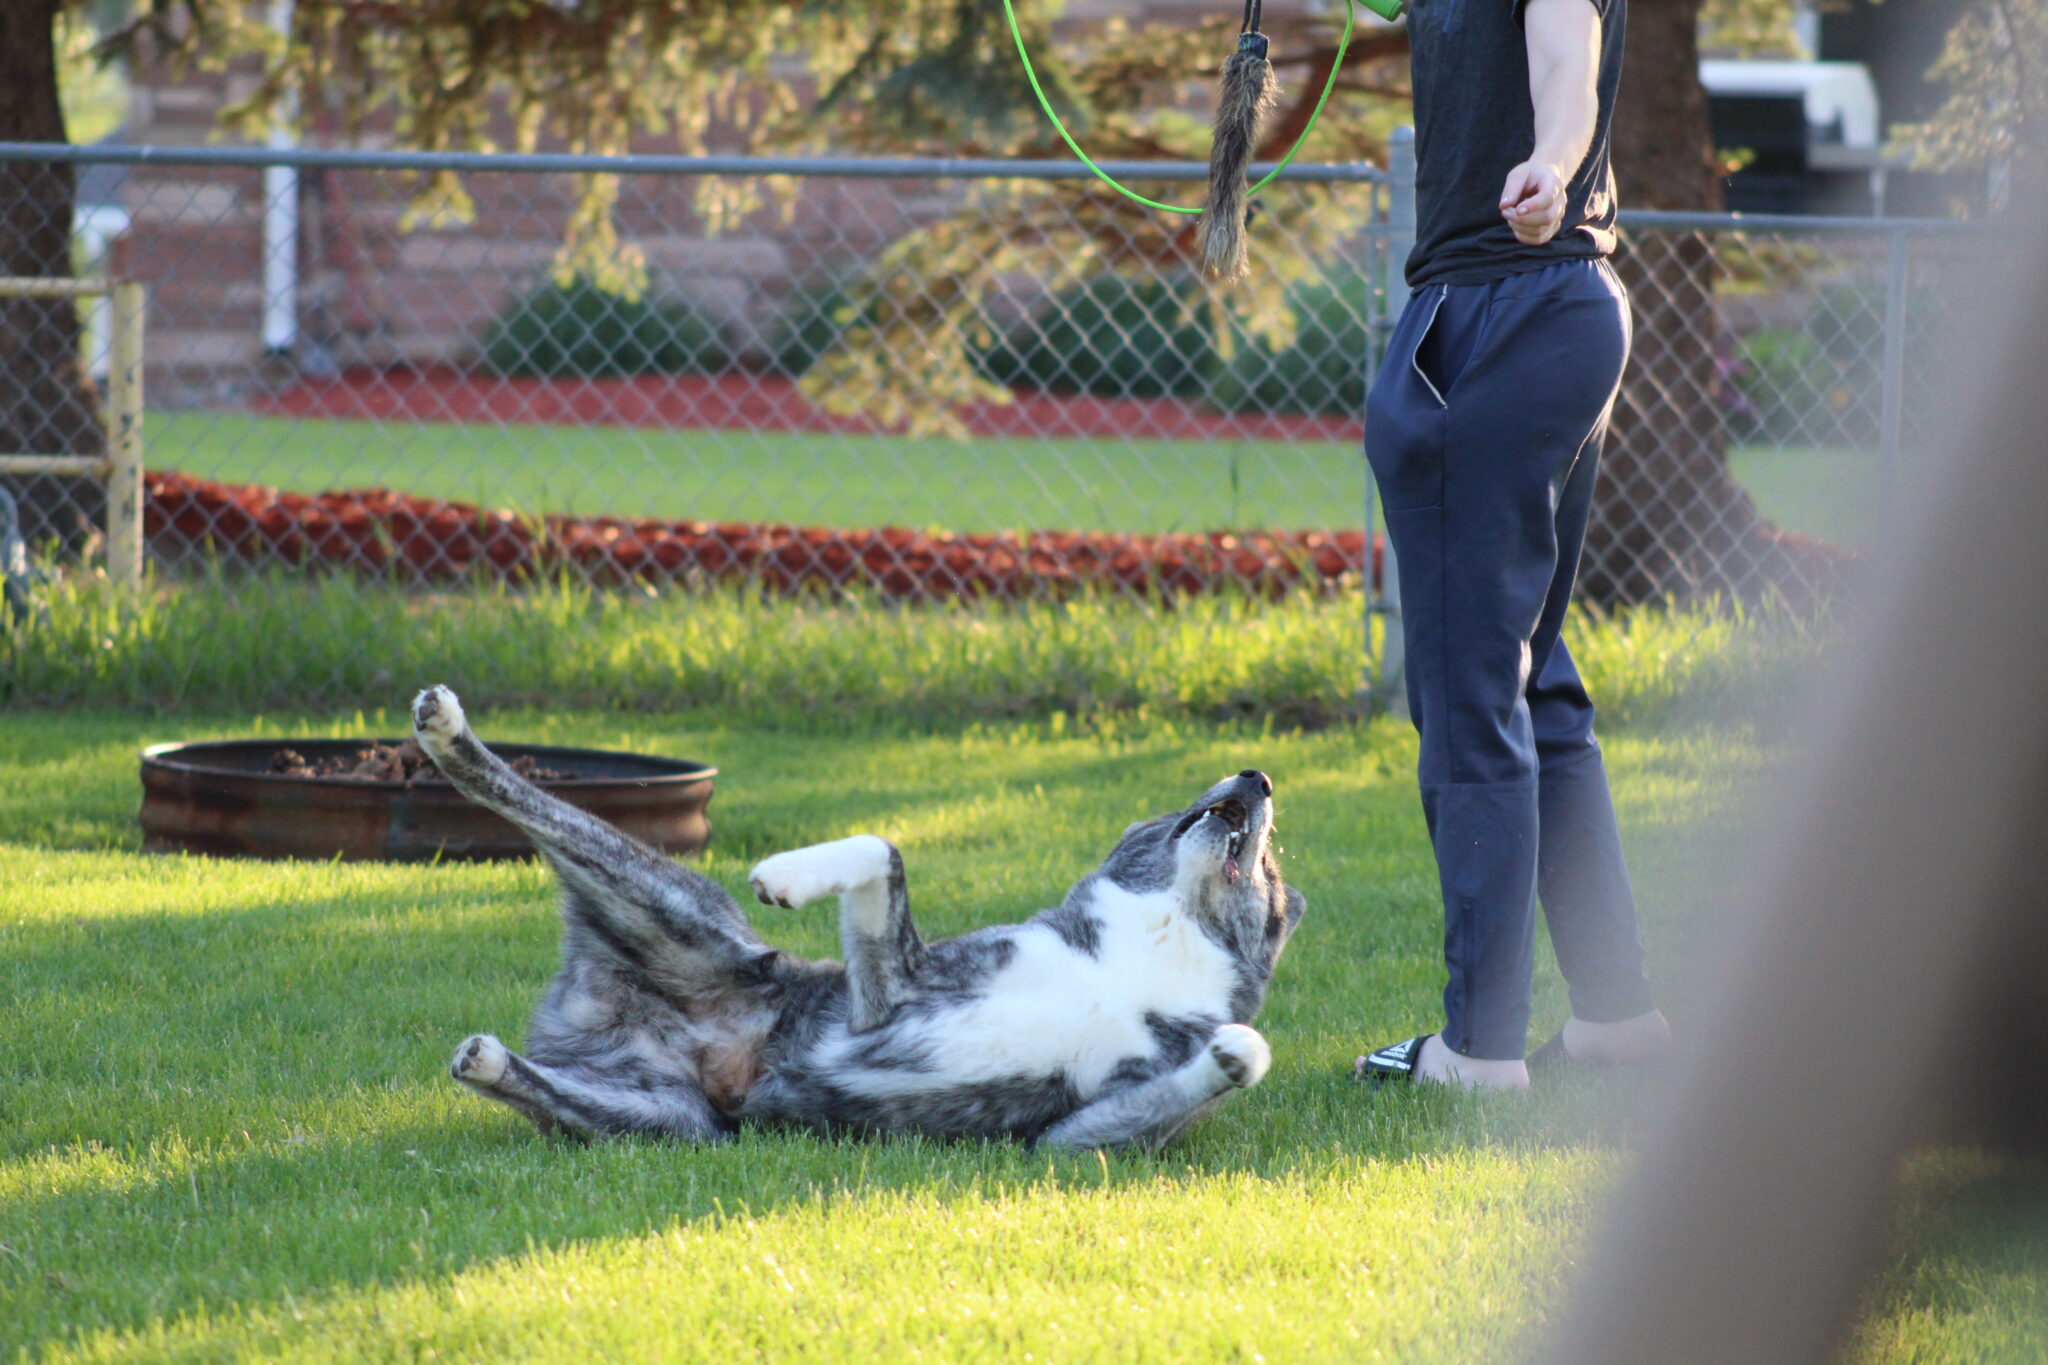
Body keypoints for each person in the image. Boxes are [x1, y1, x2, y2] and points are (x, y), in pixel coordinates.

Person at [1353, 0, 1671, 1089]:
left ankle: (1477, 1050)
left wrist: (1550, 156)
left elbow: (1563, 49)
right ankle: (1613, 1021)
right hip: (1541, 308)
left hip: (1500, 307)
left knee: (1467, 687)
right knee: (1528, 682)